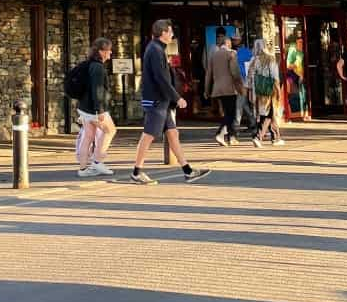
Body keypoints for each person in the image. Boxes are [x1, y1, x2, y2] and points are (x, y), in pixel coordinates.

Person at [131, 18, 210, 183]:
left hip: (162, 101)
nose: (173, 34)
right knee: (148, 135)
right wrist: (177, 97)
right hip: (156, 101)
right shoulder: (155, 50)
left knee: (173, 133)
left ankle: (187, 170)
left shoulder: (158, 49)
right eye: (171, 31)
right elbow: (160, 78)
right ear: (163, 33)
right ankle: (136, 172)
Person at [76, 37, 117, 177]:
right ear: (101, 51)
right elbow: (97, 89)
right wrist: (99, 110)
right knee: (110, 130)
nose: (110, 53)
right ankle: (97, 162)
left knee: (88, 136)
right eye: (108, 50)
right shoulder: (98, 67)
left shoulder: (88, 64)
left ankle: (82, 169)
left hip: (84, 106)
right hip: (93, 108)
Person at [204, 27, 244, 145]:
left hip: (218, 88)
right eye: (230, 43)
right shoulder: (231, 54)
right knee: (231, 113)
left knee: (228, 112)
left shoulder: (214, 55)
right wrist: (240, 87)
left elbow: (208, 74)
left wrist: (206, 90)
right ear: (227, 43)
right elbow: (235, 72)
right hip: (230, 88)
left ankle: (231, 137)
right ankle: (221, 133)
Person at [247, 39, 285, 148]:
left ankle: (275, 137)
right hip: (269, 91)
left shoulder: (253, 60)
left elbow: (249, 78)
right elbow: (275, 77)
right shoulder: (270, 59)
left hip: (258, 92)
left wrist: (250, 91)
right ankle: (258, 137)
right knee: (268, 114)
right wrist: (278, 91)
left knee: (267, 114)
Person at [233, 37, 256, 132]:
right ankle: (253, 123)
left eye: (235, 40)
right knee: (243, 103)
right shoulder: (247, 52)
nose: (234, 41)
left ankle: (235, 126)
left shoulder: (236, 53)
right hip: (243, 80)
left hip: (241, 80)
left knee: (240, 103)